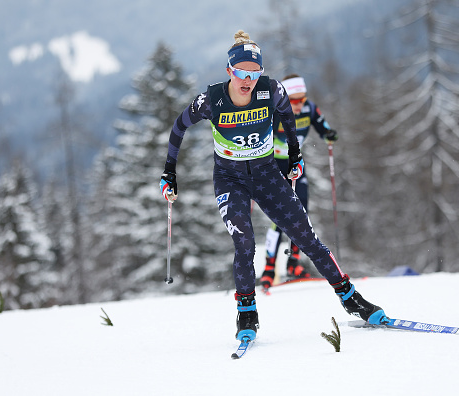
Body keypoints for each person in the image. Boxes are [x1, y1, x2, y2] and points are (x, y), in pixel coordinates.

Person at [159, 30, 388, 343]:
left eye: (255, 73)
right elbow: (178, 127)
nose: (248, 80)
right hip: (231, 178)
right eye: (241, 72)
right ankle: (247, 313)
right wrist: (169, 172)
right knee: (244, 239)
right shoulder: (211, 100)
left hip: (266, 174)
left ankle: (351, 298)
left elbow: (287, 118)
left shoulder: (272, 91)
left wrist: (295, 155)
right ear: (229, 70)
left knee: (306, 238)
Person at [259, 74, 338, 291]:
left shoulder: (309, 109)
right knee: (279, 218)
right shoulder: (274, 112)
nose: (298, 105)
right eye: (293, 100)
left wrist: (329, 134)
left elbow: (324, 128)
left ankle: (293, 263)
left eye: (302, 99)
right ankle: (269, 268)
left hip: (296, 166)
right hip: (273, 167)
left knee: (301, 214)